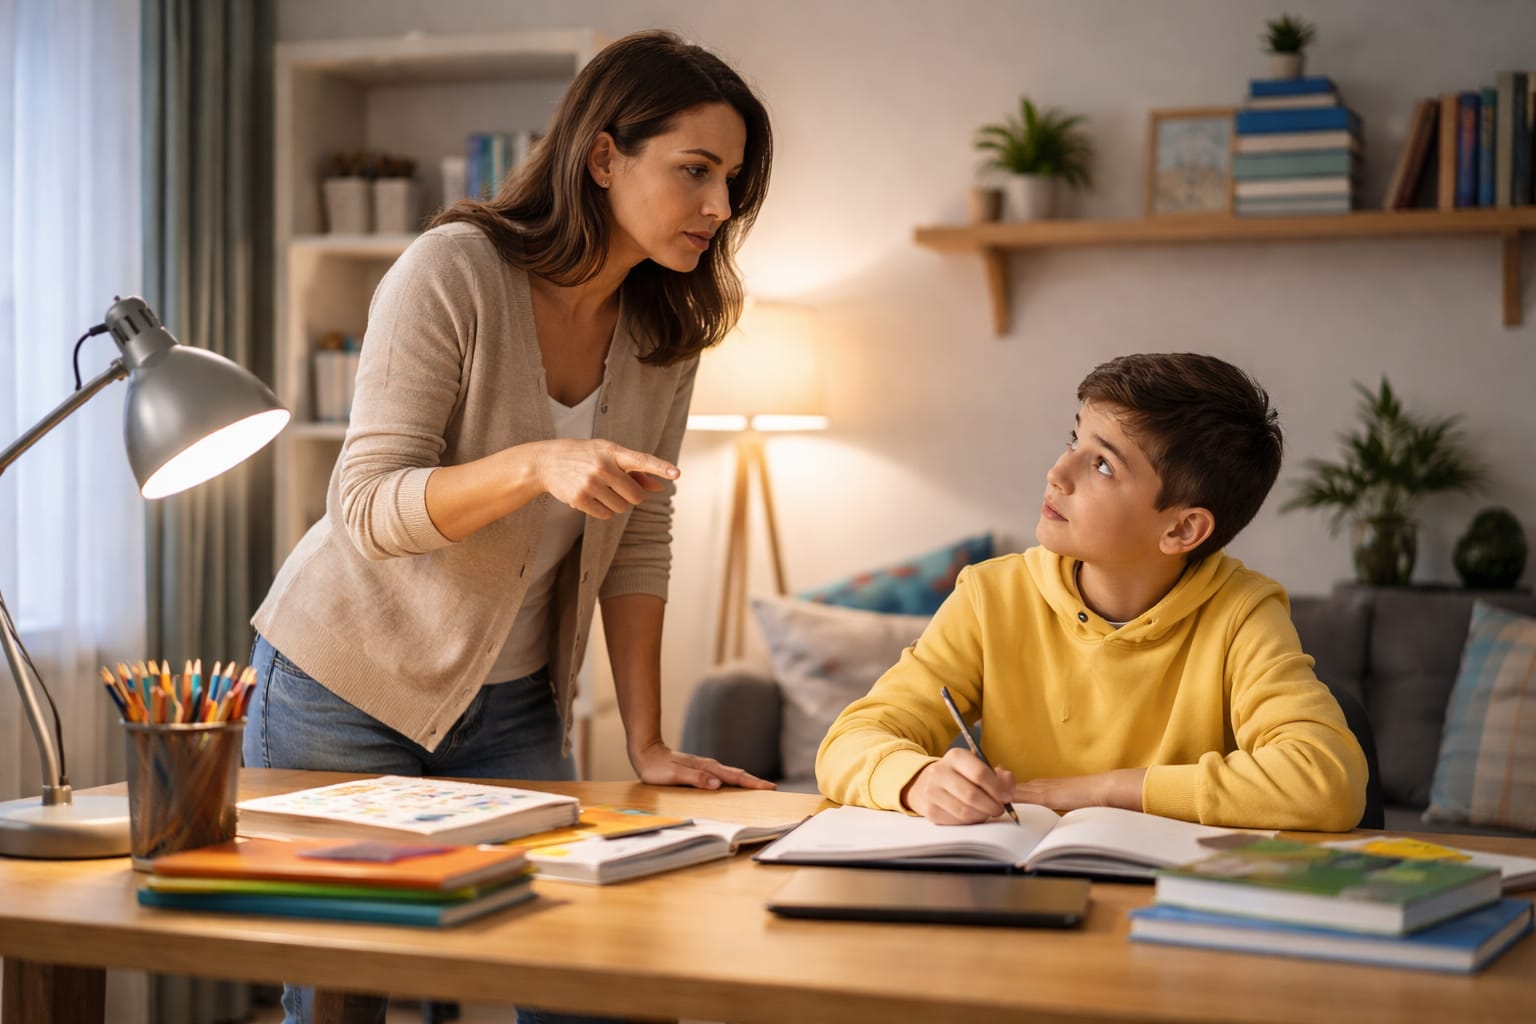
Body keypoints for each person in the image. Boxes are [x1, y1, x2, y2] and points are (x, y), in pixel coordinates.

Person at [244, 30, 773, 1024]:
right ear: (604, 156)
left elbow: (641, 536)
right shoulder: (454, 269)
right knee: (341, 992)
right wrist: (537, 462)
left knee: (578, 972)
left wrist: (650, 738)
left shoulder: (668, 329)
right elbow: (365, 508)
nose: (719, 206)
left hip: (518, 703)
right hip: (343, 683)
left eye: (733, 180)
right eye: (695, 170)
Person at [815, 353, 1368, 833]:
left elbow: (1327, 780)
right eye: (1073, 440)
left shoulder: (1241, 612)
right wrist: (917, 779)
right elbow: (850, 740)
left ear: (1181, 530)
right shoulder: (991, 595)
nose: (1058, 472)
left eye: (1102, 464)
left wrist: (1101, 791)